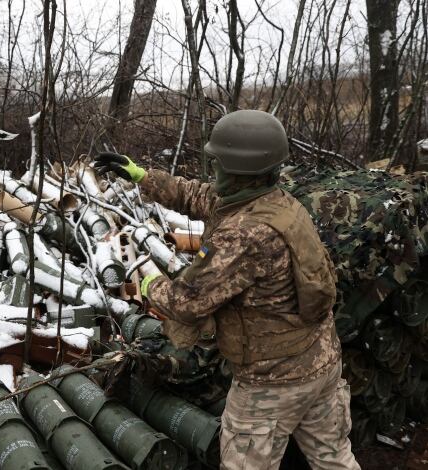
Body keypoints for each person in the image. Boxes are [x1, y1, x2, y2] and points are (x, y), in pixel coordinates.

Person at [93, 110, 360, 470]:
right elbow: (198, 196)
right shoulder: (276, 202)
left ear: (238, 169)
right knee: (334, 459)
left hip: (271, 382)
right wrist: (141, 176)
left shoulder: (245, 234)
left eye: (216, 162)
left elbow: (187, 303)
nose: (211, 168)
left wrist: (145, 280)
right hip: (321, 360)